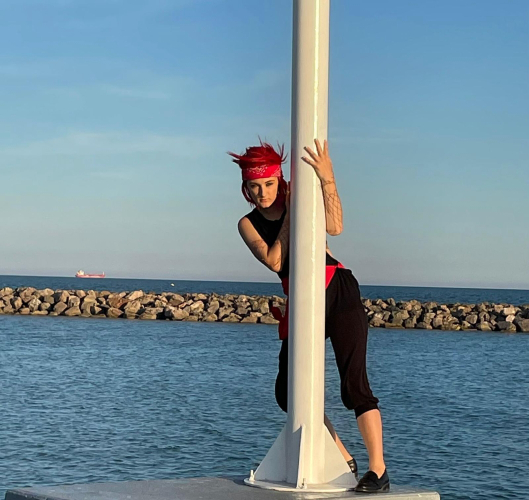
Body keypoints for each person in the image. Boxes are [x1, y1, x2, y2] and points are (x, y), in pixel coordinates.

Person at [229, 139, 390, 493]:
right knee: (287, 393)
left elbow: (336, 226)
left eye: (269, 183)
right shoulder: (247, 223)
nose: (262, 193)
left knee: (355, 384)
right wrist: (293, 212)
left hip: (337, 288)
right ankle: (343, 456)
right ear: (246, 188)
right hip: (301, 298)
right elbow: (274, 260)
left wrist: (327, 178)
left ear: (279, 178)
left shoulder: (302, 196)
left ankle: (378, 470)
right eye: (254, 186)